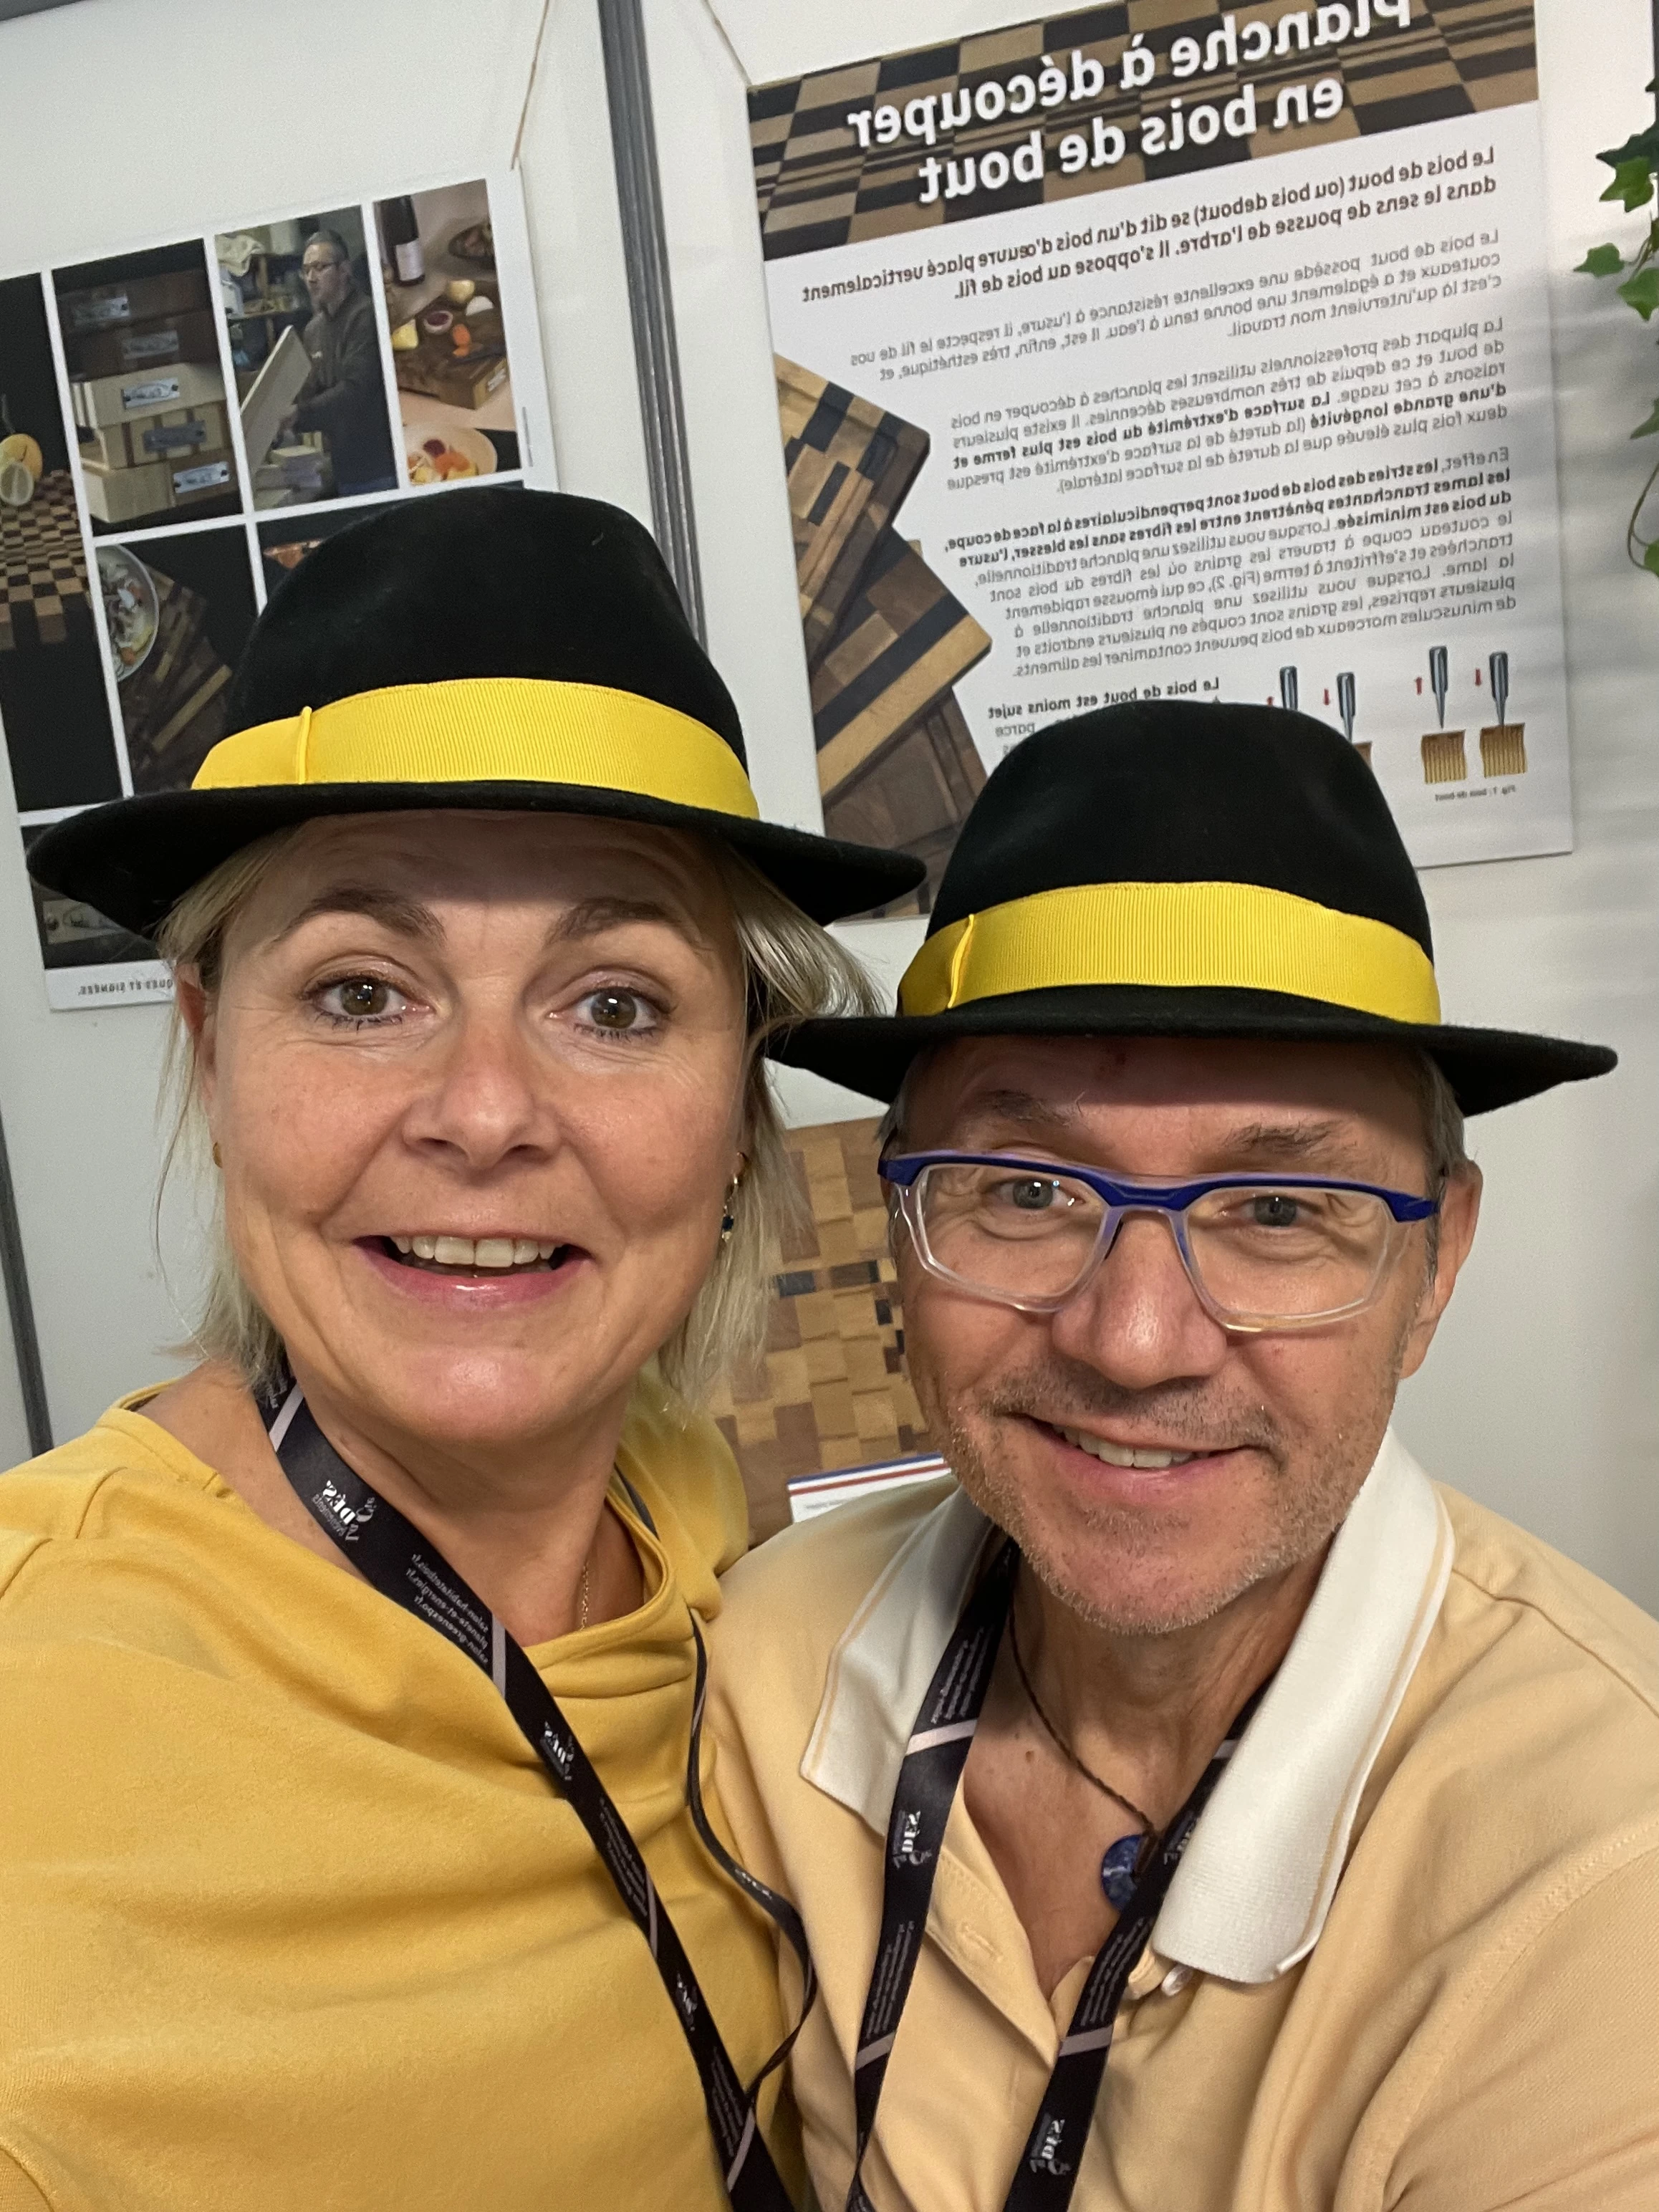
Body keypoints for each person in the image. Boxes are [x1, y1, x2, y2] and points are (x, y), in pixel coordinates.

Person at [0, 487, 920, 2212]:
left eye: (614, 1004)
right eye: (362, 991)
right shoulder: (36, 1721)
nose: (486, 1113)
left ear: (740, 1107)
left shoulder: (694, 1513)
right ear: (210, 1053)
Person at [709, 701, 1659, 2212]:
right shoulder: (768, 1659)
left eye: (1277, 1210)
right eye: (1025, 1188)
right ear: (898, 1222)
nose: (1136, 1339)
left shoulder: (1607, 1871)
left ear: (1435, 1263)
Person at [282, 227, 396, 495]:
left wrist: (300, 413)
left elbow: (355, 390)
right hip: (344, 469)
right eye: (306, 270)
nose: (311, 278)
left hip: (380, 470)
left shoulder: (366, 316)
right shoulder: (313, 330)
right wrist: (284, 412)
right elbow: (311, 391)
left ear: (344, 270)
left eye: (320, 267)